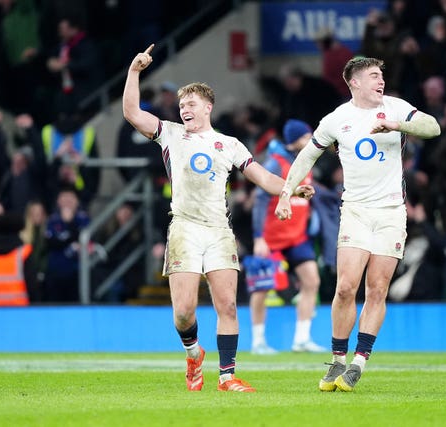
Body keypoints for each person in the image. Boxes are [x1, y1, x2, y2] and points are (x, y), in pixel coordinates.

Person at [122, 44, 314, 393]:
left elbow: (261, 177)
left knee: (226, 303)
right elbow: (132, 112)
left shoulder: (229, 144)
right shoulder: (170, 133)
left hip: (218, 230)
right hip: (184, 227)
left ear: (207, 108)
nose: (184, 110)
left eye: (191, 104)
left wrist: (291, 189)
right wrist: (135, 72)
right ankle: (194, 353)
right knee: (183, 312)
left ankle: (227, 377)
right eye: (182, 106)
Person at [274, 57, 440, 392]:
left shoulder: (396, 108)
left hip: (392, 213)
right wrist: (285, 193)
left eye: (382, 75)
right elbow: (307, 155)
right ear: (355, 82)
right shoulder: (338, 119)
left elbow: (433, 127)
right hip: (356, 211)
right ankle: (337, 360)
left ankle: (359, 362)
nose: (381, 81)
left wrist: (397, 125)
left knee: (377, 289)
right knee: (346, 287)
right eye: (374, 76)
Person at [249, 119, 326, 354]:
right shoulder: (275, 163)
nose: (311, 140)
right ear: (294, 141)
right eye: (306, 137)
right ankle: (258, 341)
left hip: (297, 237)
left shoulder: (307, 164)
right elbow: (260, 202)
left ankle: (301, 339)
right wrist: (258, 237)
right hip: (271, 238)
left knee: (312, 281)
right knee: (261, 289)